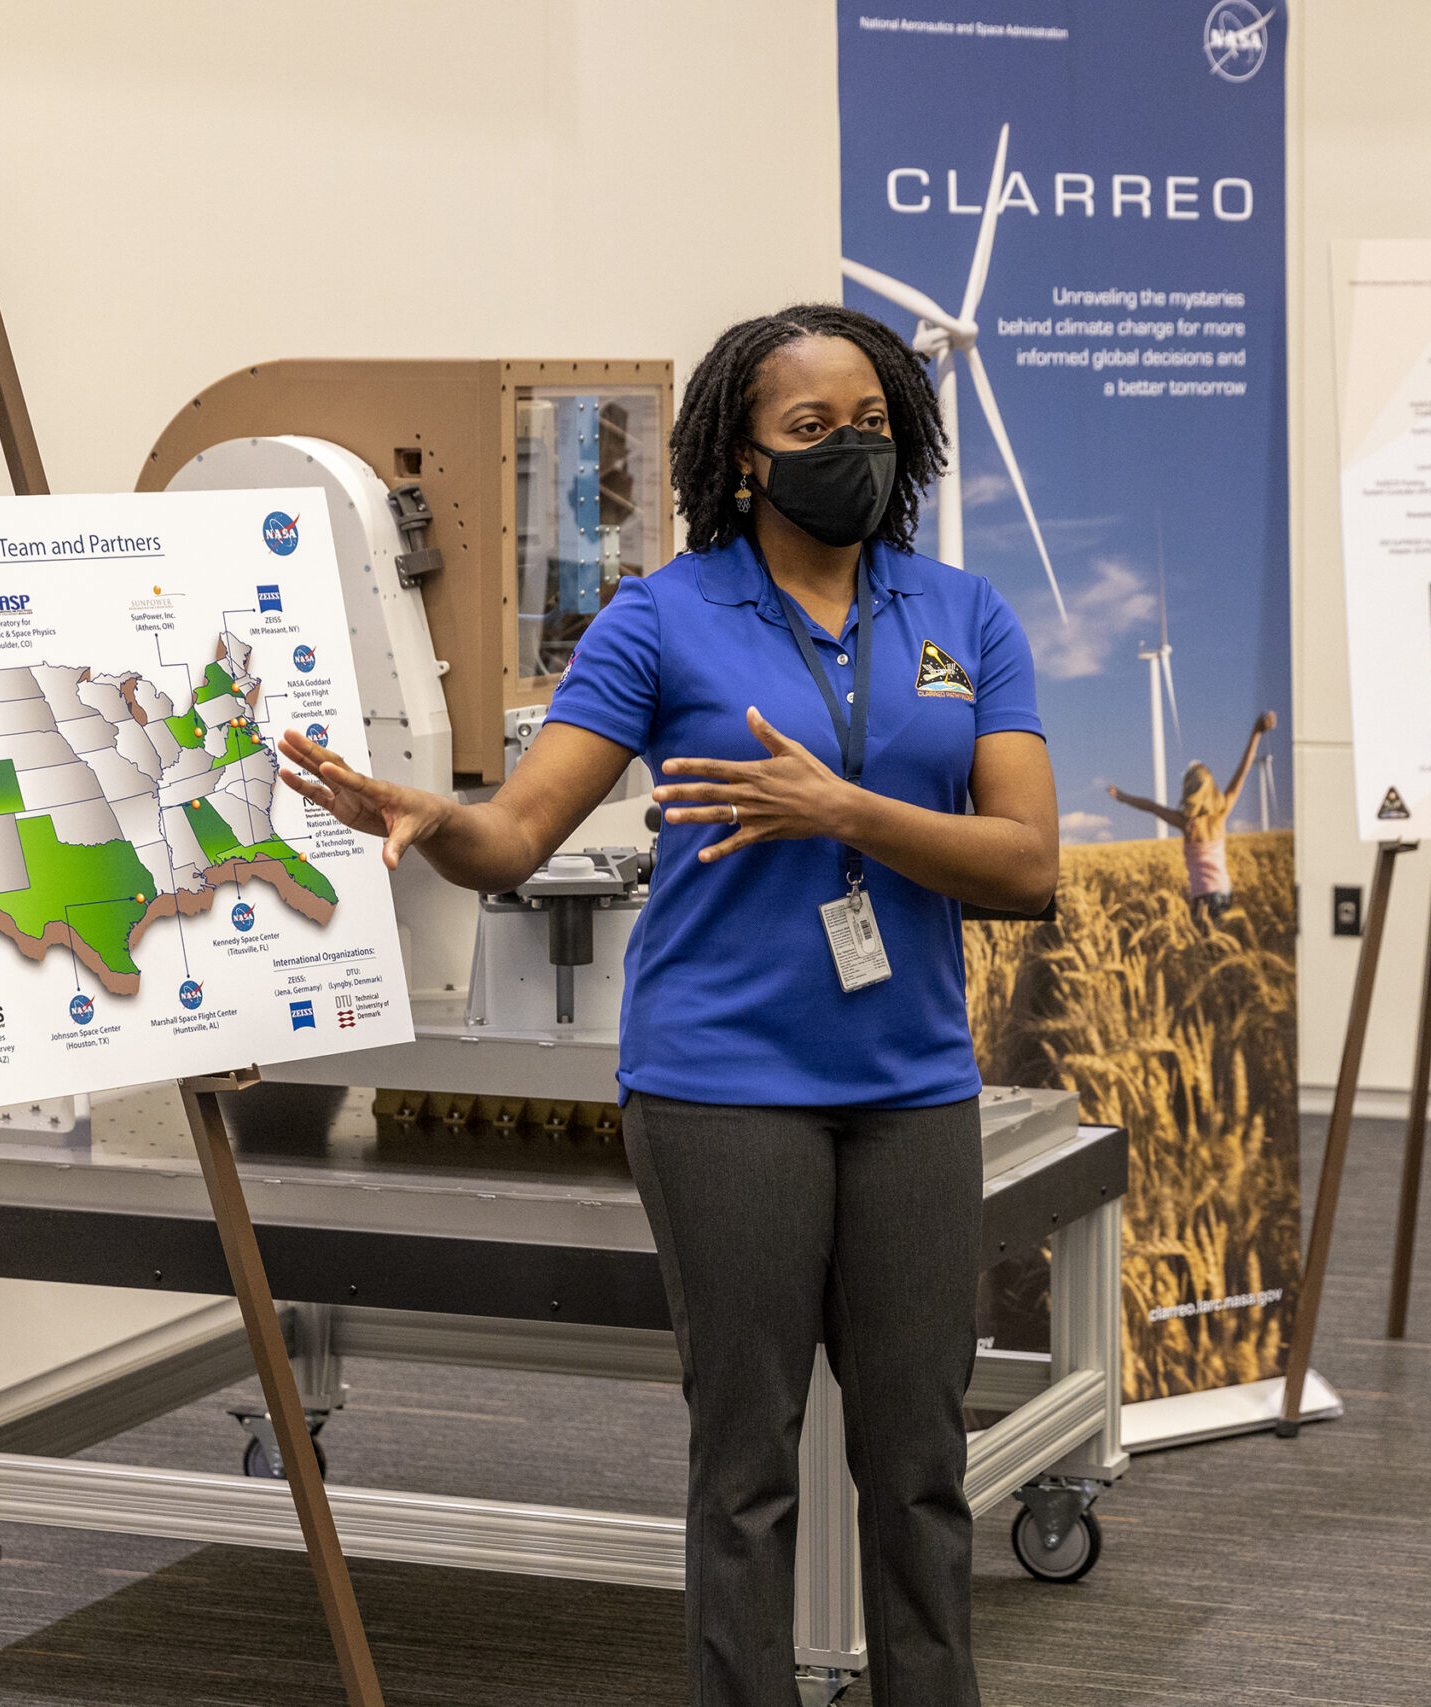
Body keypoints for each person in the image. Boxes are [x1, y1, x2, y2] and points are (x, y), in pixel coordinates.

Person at [276, 302, 1055, 1706]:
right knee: (746, 1462)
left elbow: (1026, 864)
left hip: (912, 1085)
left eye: (872, 423)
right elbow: (516, 835)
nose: (850, 447)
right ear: (743, 457)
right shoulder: (661, 615)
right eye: (810, 427)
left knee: (921, 1460)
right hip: (722, 1088)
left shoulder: (964, 614)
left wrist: (843, 810)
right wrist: (434, 820)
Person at [1105, 709, 1273, 922]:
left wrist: (1123, 797)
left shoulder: (1186, 823)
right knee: (1220, 940)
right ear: (1211, 789)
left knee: (1203, 941)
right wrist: (1256, 733)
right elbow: (1243, 770)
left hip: (1202, 897)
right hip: (1224, 892)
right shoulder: (1221, 814)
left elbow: (1152, 807)